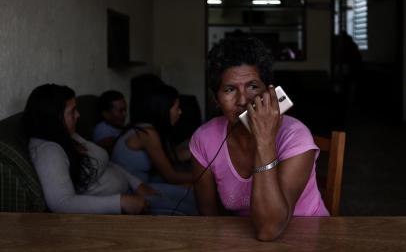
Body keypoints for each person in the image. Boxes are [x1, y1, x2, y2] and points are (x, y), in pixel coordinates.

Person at [189, 37, 329, 241]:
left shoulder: (296, 136)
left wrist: (264, 140)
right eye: (229, 89)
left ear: (269, 91)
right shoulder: (204, 139)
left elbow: (269, 229)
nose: (243, 100)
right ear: (216, 99)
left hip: (307, 237)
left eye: (253, 86)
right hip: (243, 240)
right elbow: (209, 218)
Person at [23, 84, 195, 215]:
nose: (78, 115)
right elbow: (62, 203)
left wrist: (137, 184)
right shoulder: (48, 152)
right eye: (72, 111)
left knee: (194, 198)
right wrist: (121, 202)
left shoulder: (68, 135)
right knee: (193, 208)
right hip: (122, 203)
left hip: (132, 189)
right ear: (55, 116)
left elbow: (109, 163)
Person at [112, 84, 194, 184]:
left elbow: (165, 157)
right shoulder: (148, 133)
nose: (180, 112)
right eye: (177, 108)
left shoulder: (145, 126)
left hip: (145, 181)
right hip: (134, 188)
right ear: (164, 110)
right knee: (197, 191)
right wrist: (211, 176)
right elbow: (172, 176)